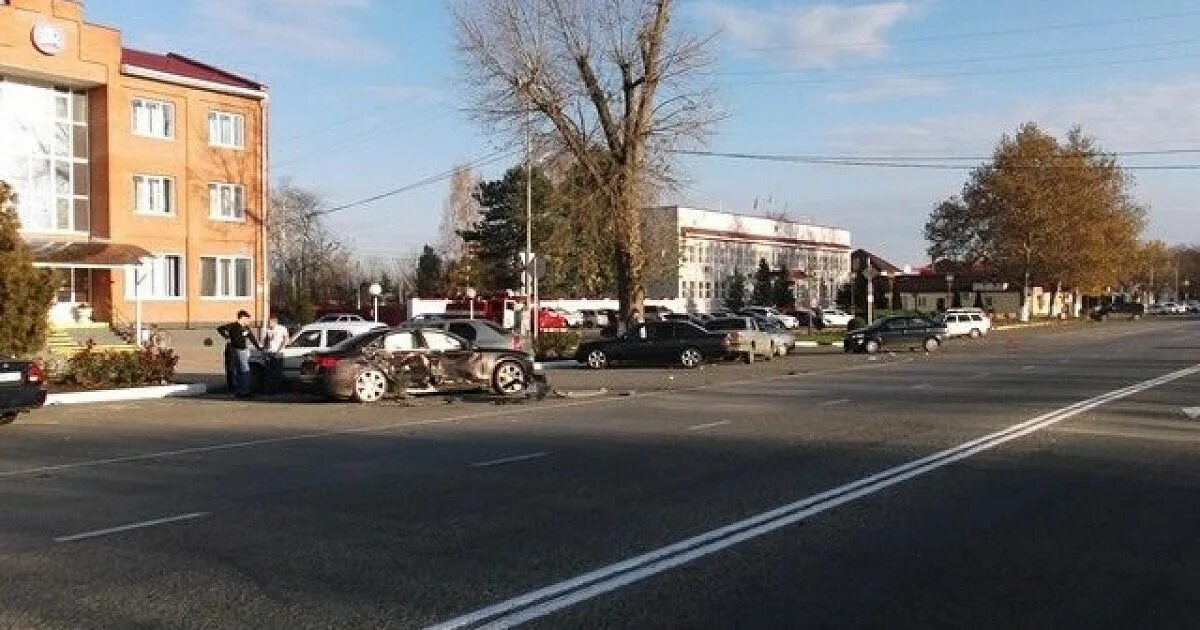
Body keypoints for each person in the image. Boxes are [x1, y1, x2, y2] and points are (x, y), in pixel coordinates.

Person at [217, 310, 263, 398]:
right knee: (244, 371)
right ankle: (243, 391)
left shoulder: (246, 328)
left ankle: (242, 391)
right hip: (237, 350)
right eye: (247, 319)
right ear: (242, 318)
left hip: (244, 350)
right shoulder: (233, 326)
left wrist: (258, 347)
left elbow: (252, 338)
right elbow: (220, 328)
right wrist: (227, 337)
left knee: (242, 371)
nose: (248, 321)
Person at [260, 316, 290, 394]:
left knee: (277, 372)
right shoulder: (267, 330)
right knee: (268, 372)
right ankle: (269, 389)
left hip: (278, 352)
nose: (269, 324)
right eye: (268, 322)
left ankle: (277, 389)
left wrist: (279, 350)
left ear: (275, 322)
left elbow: (285, 339)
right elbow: (265, 341)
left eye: (270, 322)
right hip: (269, 352)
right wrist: (264, 351)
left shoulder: (282, 328)